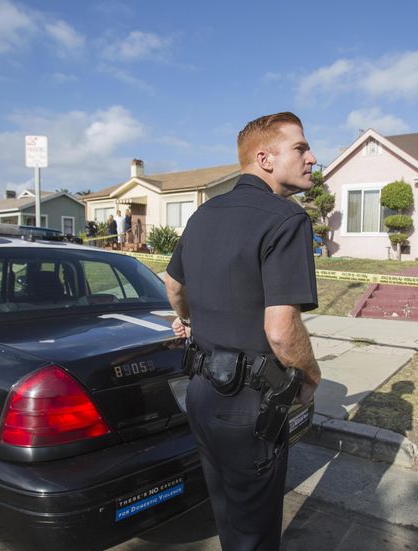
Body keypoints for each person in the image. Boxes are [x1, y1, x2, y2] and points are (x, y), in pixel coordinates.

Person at [164, 112, 321, 551]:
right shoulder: (285, 219)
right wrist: (310, 378)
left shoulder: (203, 215)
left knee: (228, 516)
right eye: (300, 148)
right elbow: (281, 329)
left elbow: (173, 285)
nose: (313, 158)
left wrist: (191, 318)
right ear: (264, 158)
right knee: (254, 532)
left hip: (200, 395)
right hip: (249, 408)